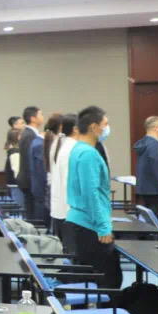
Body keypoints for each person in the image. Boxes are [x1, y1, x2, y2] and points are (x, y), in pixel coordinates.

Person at [67, 106, 121, 290]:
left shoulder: (79, 149)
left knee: (90, 278)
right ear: (93, 127)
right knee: (109, 280)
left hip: (83, 221)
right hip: (89, 224)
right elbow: (91, 193)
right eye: (105, 124)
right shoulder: (88, 154)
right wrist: (103, 226)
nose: (107, 128)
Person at [50, 115, 78, 250]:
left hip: (62, 211)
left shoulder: (62, 144)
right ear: (76, 129)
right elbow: (70, 184)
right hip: (69, 213)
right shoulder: (71, 148)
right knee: (72, 252)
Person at [135, 115, 158, 222]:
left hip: (144, 189)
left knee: (149, 220)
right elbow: (157, 169)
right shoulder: (155, 146)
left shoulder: (143, 144)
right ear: (156, 127)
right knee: (155, 222)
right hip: (155, 190)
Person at [17, 106, 46, 221]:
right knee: (33, 216)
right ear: (33, 118)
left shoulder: (29, 134)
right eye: (40, 114)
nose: (42, 117)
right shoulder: (30, 136)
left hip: (28, 181)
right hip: (30, 182)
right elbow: (29, 162)